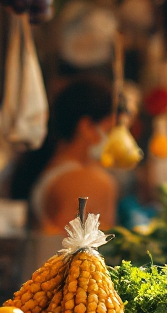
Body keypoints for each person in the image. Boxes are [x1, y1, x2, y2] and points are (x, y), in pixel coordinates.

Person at [11, 76, 117, 232]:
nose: (111, 140)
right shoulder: (87, 181)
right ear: (86, 126)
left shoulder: (49, 166)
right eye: (108, 130)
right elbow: (79, 251)